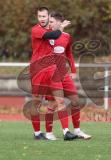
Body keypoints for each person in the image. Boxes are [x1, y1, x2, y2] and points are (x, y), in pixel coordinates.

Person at [43, 11, 92, 140]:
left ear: (59, 22)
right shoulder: (47, 35)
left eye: (52, 22)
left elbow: (69, 54)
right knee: (53, 104)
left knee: (75, 101)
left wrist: (74, 70)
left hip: (64, 74)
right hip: (51, 74)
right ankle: (50, 133)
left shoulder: (67, 37)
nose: (49, 24)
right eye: (49, 22)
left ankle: (77, 131)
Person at [29, 6, 73, 141]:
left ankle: (66, 132)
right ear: (37, 18)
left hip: (52, 70)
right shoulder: (36, 30)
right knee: (37, 101)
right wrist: (60, 28)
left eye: (44, 16)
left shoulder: (53, 29)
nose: (42, 19)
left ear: (49, 17)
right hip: (38, 70)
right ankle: (37, 133)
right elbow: (53, 35)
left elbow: (62, 44)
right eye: (40, 16)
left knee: (58, 100)